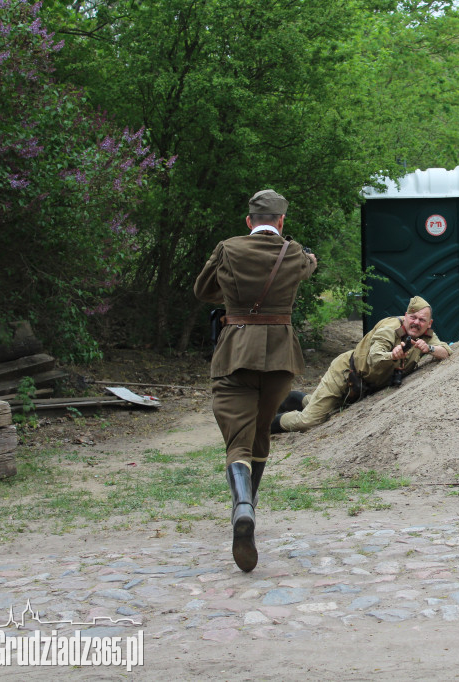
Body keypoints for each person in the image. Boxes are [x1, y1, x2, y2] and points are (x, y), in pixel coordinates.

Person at [193, 189, 317, 572]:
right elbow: (307, 268)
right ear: (282, 221)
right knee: (261, 429)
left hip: (236, 354)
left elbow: (203, 291)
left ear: (249, 221)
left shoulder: (228, 249)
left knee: (237, 440)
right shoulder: (295, 254)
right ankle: (249, 505)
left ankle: (242, 505)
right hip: (281, 358)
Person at [272, 295, 451, 433]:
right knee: (309, 421)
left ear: (429, 323)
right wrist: (392, 355)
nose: (416, 323)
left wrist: (429, 348)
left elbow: (446, 351)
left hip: (362, 385)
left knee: (326, 407)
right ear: (405, 316)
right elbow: (375, 357)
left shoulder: (425, 335)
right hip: (346, 373)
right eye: (413, 317)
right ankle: (266, 424)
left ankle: (297, 398)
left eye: (422, 320)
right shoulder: (389, 328)